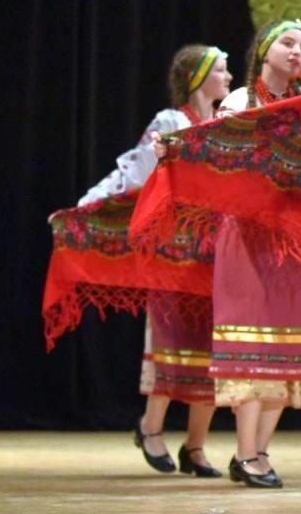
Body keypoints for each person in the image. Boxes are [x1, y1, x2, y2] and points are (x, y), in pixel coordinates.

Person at [78, 44, 231, 477]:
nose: (229, 77)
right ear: (197, 77)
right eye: (221, 70)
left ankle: (196, 447)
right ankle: (150, 427)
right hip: (174, 250)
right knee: (170, 341)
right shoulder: (171, 123)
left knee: (210, 349)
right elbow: (133, 173)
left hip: (211, 253)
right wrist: (88, 204)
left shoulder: (222, 122)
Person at [212, 20, 301, 488]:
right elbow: (218, 159)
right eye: (287, 42)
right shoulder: (239, 103)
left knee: (288, 348)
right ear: (263, 48)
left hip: (297, 241)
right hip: (249, 237)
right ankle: (245, 453)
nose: (297, 51)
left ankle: (258, 451)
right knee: (254, 348)